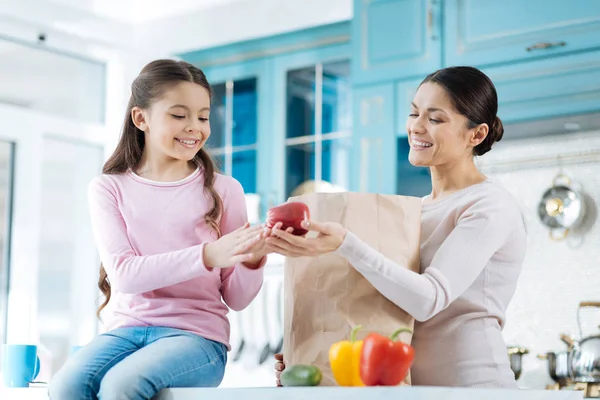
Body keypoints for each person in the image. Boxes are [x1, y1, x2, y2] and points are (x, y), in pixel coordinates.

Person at [269, 66, 527, 389]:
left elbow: (427, 299)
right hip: (415, 389)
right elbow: (387, 307)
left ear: (476, 135)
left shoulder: (489, 205)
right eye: (414, 113)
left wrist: (347, 243)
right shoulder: (417, 209)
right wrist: (310, 361)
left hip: (475, 388)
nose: (415, 127)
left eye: (435, 119)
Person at [49, 59, 271, 400]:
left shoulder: (226, 190)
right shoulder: (109, 188)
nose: (194, 128)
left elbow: (237, 299)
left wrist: (252, 261)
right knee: (66, 385)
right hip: (126, 332)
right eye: (179, 116)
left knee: (122, 385)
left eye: (203, 116)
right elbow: (124, 275)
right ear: (141, 119)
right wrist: (208, 255)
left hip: (198, 340)